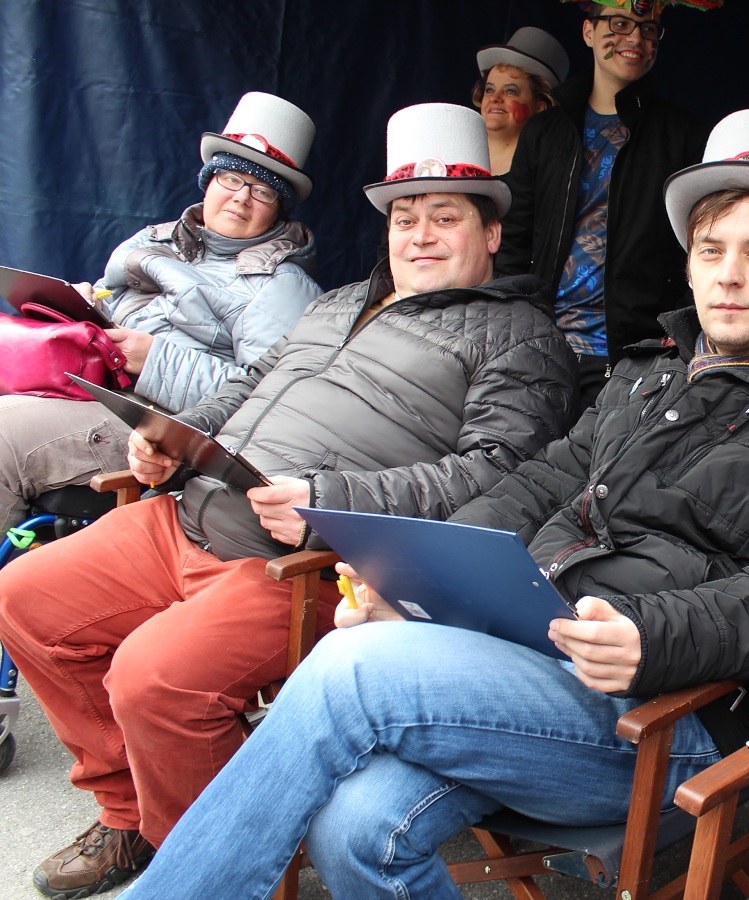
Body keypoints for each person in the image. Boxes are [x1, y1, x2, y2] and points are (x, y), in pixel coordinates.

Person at [119, 108, 749, 900]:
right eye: (712, 250)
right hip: (529, 660)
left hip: (667, 719)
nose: (729, 276)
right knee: (355, 828)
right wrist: (417, 579)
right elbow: (538, 481)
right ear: (689, 262)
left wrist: (653, 637)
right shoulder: (646, 376)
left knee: (348, 670)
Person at [0, 102, 579, 900]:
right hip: (185, 513)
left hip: (309, 565)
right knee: (24, 598)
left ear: (491, 233)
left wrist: (330, 497)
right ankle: (130, 814)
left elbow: (500, 475)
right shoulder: (335, 300)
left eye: (446, 217)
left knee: (153, 679)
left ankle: (208, 867)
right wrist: (171, 439)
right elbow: (244, 383)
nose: (420, 235)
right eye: (404, 217)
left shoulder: (522, 337)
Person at [0, 91, 323, 531]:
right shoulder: (154, 240)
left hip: (153, 427)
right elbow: (110, 299)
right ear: (209, 182)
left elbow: (269, 403)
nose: (241, 198)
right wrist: (84, 308)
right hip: (93, 387)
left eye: (262, 191)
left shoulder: (283, 286)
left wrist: (155, 360)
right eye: (230, 179)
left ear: (278, 208)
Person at [497, 0, 715, 404]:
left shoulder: (684, 135)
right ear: (589, 31)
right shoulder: (544, 130)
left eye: (648, 29)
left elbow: (701, 245)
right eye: (619, 23)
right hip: (542, 344)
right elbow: (513, 239)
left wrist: (678, 334)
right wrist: (514, 324)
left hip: (635, 354)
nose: (635, 38)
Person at [472, 26, 570, 175]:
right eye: (489, 89)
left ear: (540, 108)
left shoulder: (548, 170)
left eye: (510, 91)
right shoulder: (457, 150)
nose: (495, 98)